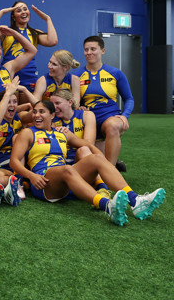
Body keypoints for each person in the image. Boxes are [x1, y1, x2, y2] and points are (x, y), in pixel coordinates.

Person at [9, 100, 165, 226]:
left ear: (52, 115)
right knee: (68, 169)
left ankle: (136, 201)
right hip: (44, 181)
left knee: (95, 158)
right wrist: (32, 176)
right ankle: (107, 206)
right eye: (35, 112)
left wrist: (103, 162)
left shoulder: (61, 133)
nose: (36, 115)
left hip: (67, 180)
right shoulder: (28, 133)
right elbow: (14, 161)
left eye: (41, 112)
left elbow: (88, 145)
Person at [75, 35, 133, 171]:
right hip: (90, 122)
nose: (89, 52)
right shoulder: (76, 76)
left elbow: (129, 98)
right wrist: (78, 107)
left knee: (112, 126)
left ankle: (110, 172)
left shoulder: (115, 73)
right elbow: (73, 101)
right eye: (86, 49)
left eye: (93, 49)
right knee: (95, 159)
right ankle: (113, 162)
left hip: (110, 116)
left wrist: (125, 115)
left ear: (103, 51)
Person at [0, 1, 58, 93]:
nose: (23, 12)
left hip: (29, 75)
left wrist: (48, 19)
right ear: (13, 16)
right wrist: (1, 12)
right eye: (18, 10)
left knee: (30, 106)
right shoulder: (6, 31)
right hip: (9, 74)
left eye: (25, 9)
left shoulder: (34, 33)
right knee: (12, 105)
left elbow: (53, 41)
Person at [50, 88, 95, 164]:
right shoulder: (50, 119)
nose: (54, 107)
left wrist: (68, 136)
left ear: (70, 102)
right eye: (52, 104)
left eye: (57, 103)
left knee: (84, 150)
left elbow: (89, 144)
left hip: (80, 159)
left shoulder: (86, 115)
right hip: (59, 162)